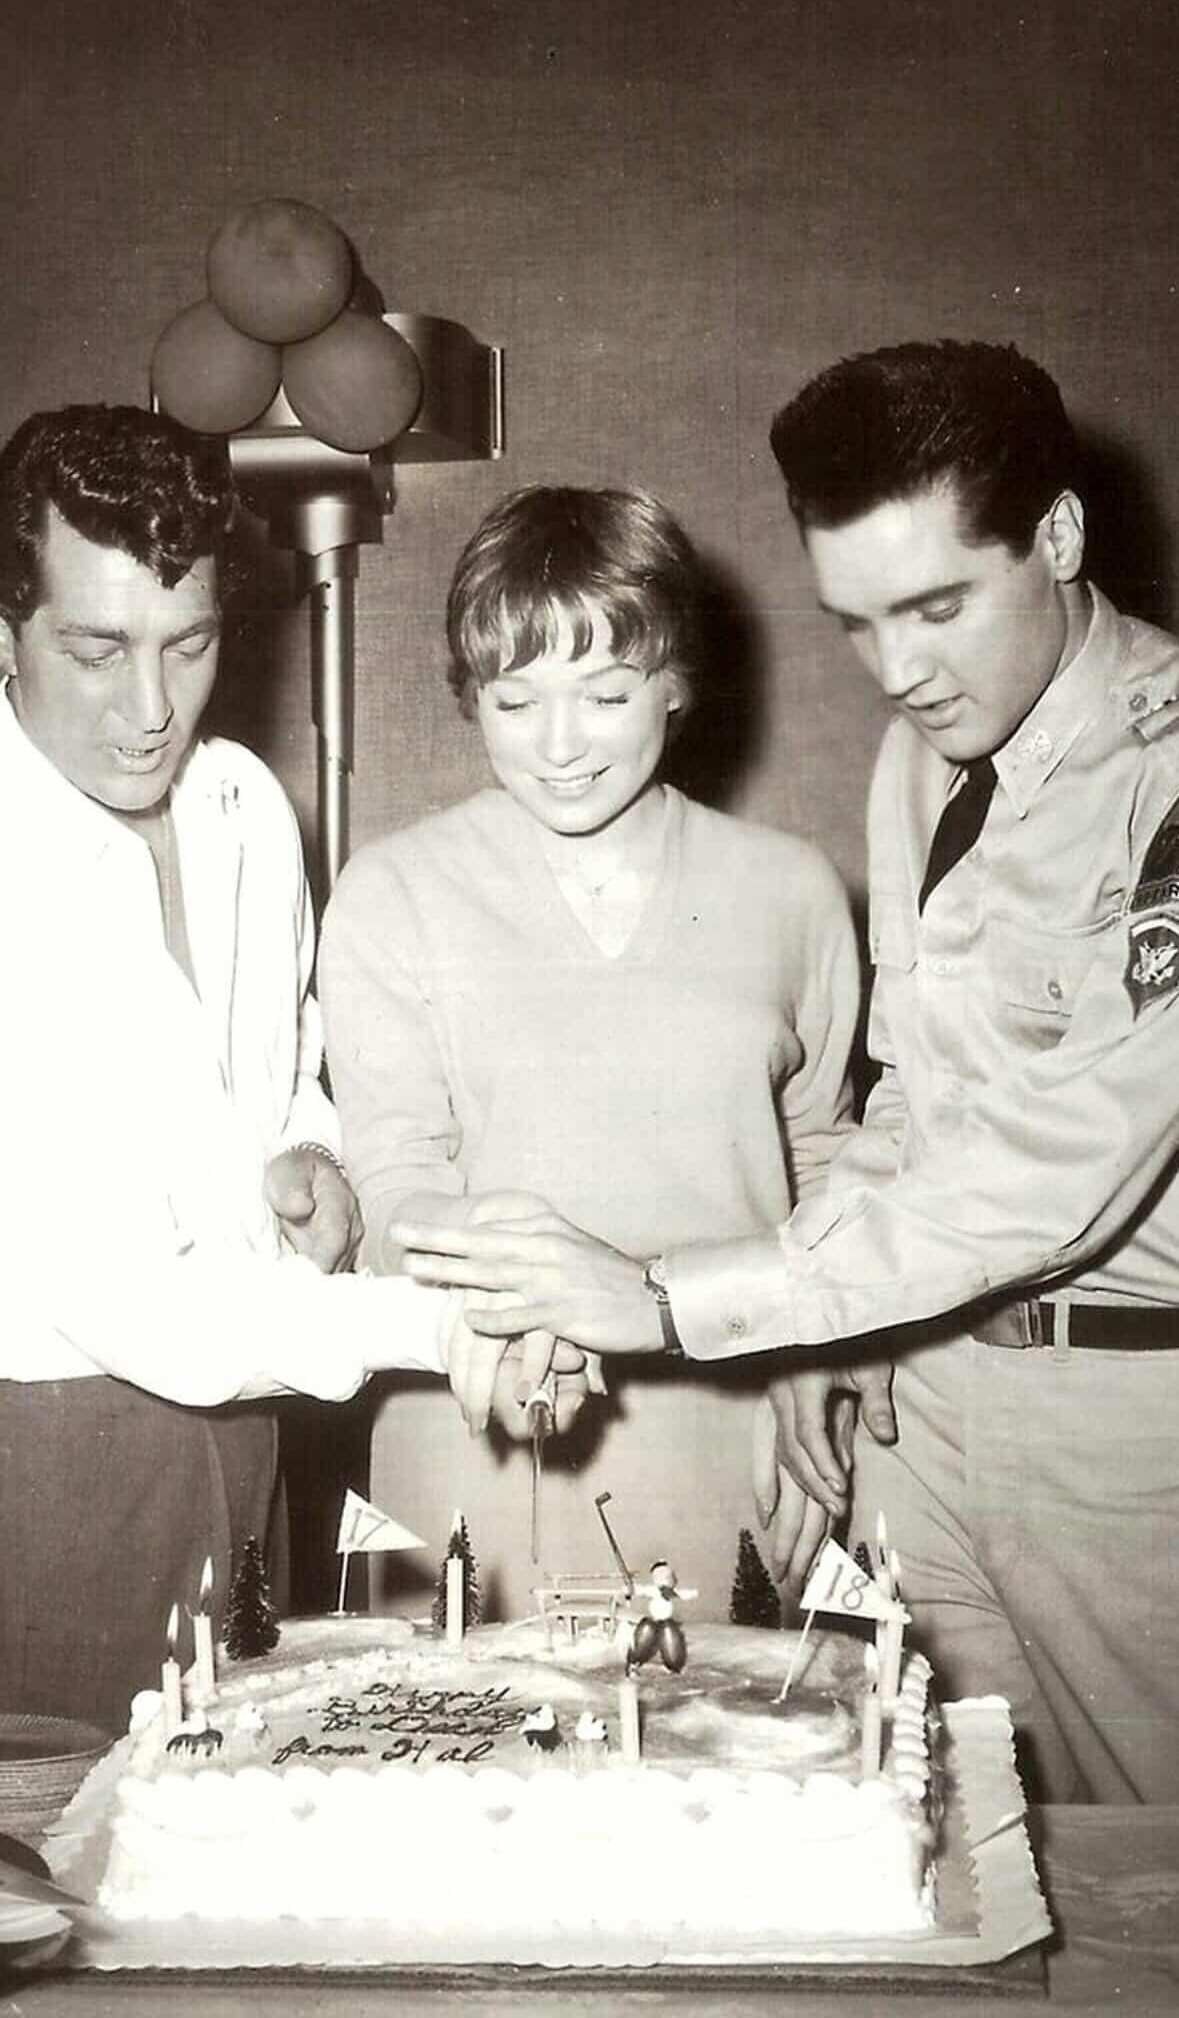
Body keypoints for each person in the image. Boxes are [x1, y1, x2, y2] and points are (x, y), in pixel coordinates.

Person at [391, 344, 1179, 1807]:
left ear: (1056, 537)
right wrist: (828, 1342)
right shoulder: (924, 765)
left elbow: (1056, 1167)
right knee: (939, 1869)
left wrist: (680, 1299)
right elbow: (916, 1096)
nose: (901, 670)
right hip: (922, 1410)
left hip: (1155, 1441)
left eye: (937, 607)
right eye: (857, 624)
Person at [0, 404, 470, 1733]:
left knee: (234, 1902)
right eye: (98, 651)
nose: (153, 709)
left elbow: (283, 1068)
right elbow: (145, 1310)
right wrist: (450, 1324)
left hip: (244, 1443)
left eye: (191, 641)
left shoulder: (240, 809)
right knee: (37, 1918)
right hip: (28, 1491)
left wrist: (303, 1154)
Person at [316, 486, 861, 1618]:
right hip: (476, 1404)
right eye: (516, 701)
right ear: (472, 696)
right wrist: (515, 1317)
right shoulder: (393, 895)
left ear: (676, 682)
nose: (560, 746)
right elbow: (397, 1174)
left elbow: (822, 1161)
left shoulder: (791, 890)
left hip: (724, 1423)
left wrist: (818, 1362)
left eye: (606, 694)